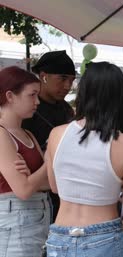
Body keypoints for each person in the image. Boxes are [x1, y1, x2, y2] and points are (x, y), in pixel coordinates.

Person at [44, 62, 123, 257]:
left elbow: (55, 187)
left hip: (59, 240)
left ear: (83, 95)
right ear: (120, 99)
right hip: (105, 240)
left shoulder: (57, 134)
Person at [0, 66, 51, 257]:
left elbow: (48, 183)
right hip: (15, 222)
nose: (37, 102)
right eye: (32, 95)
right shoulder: (2, 134)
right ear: (10, 96)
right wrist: (48, 162)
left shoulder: (27, 135)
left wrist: (32, 176)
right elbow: (23, 189)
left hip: (36, 218)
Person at [22, 50, 76, 223]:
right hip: (34, 200)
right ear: (43, 76)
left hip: (67, 195)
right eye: (62, 78)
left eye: (71, 80)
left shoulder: (68, 110)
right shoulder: (26, 110)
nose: (68, 86)